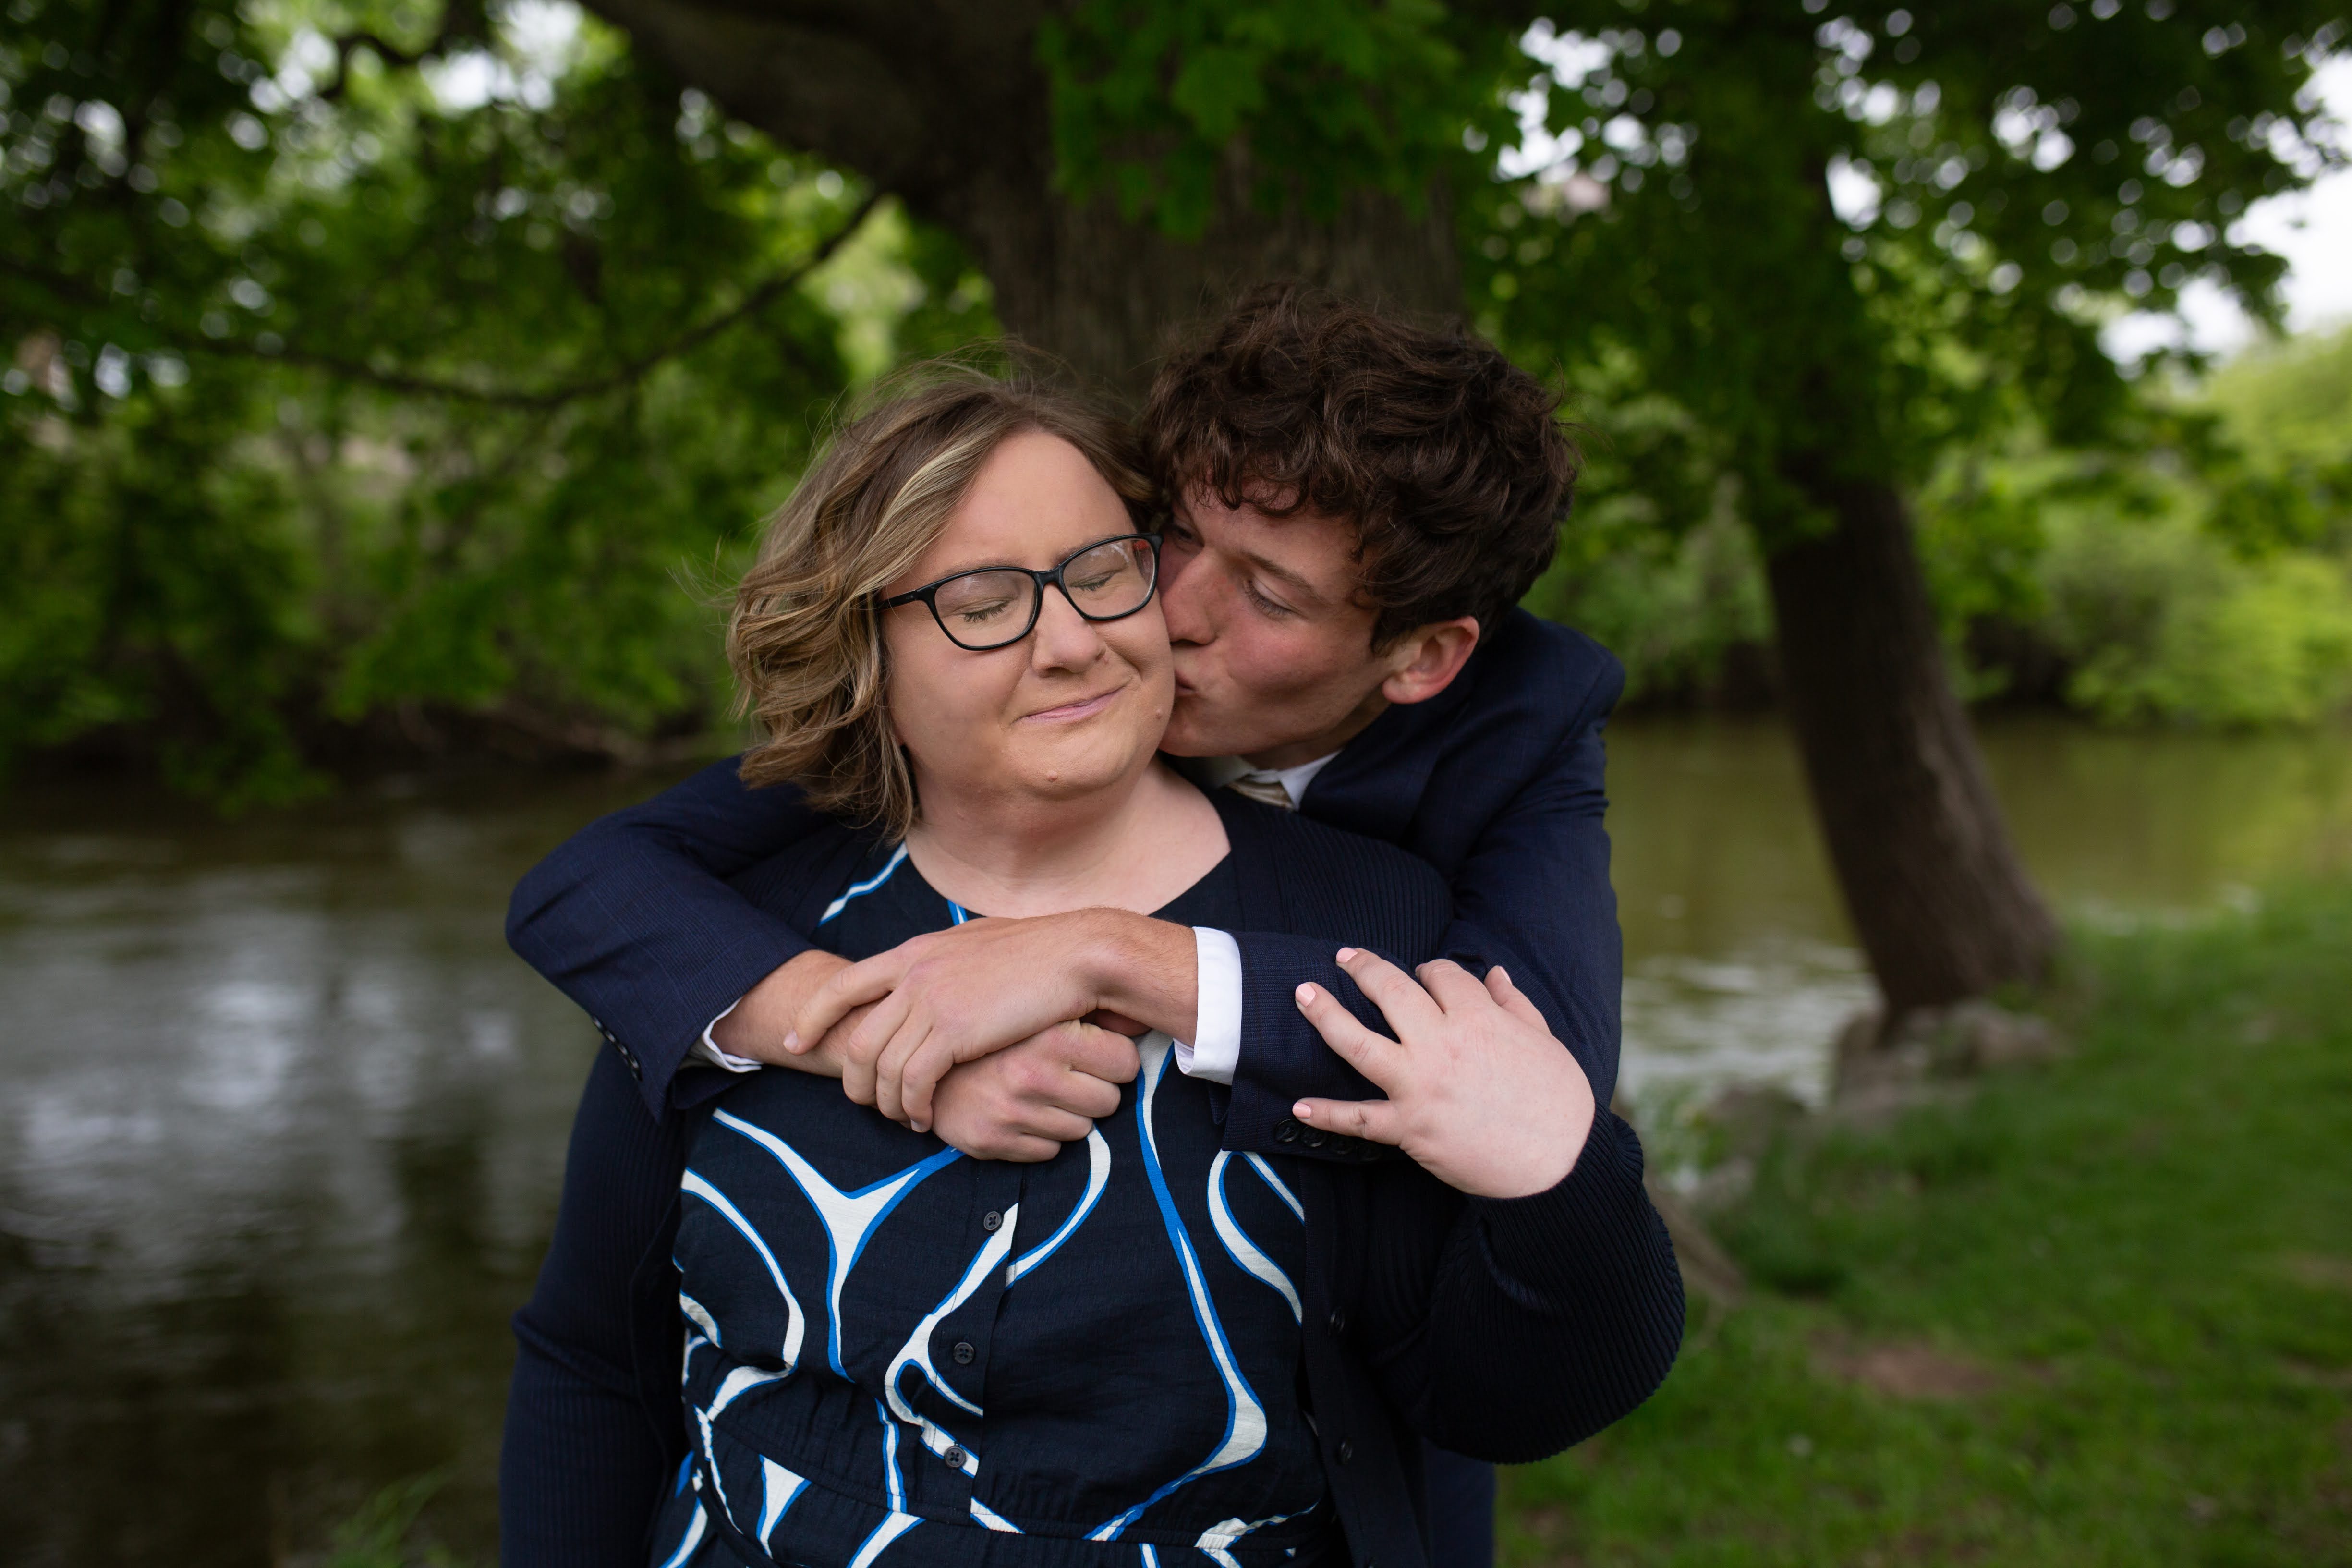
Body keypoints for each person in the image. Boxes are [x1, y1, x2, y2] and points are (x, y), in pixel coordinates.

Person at [509, 288, 1627, 1565]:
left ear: (1419, 658)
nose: (1155, 616)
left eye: (1265, 594)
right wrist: (863, 1025)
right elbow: (593, 892)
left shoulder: (1472, 794)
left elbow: (1530, 1093)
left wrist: (1108, 951)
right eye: (1167, 539)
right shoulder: (766, 901)